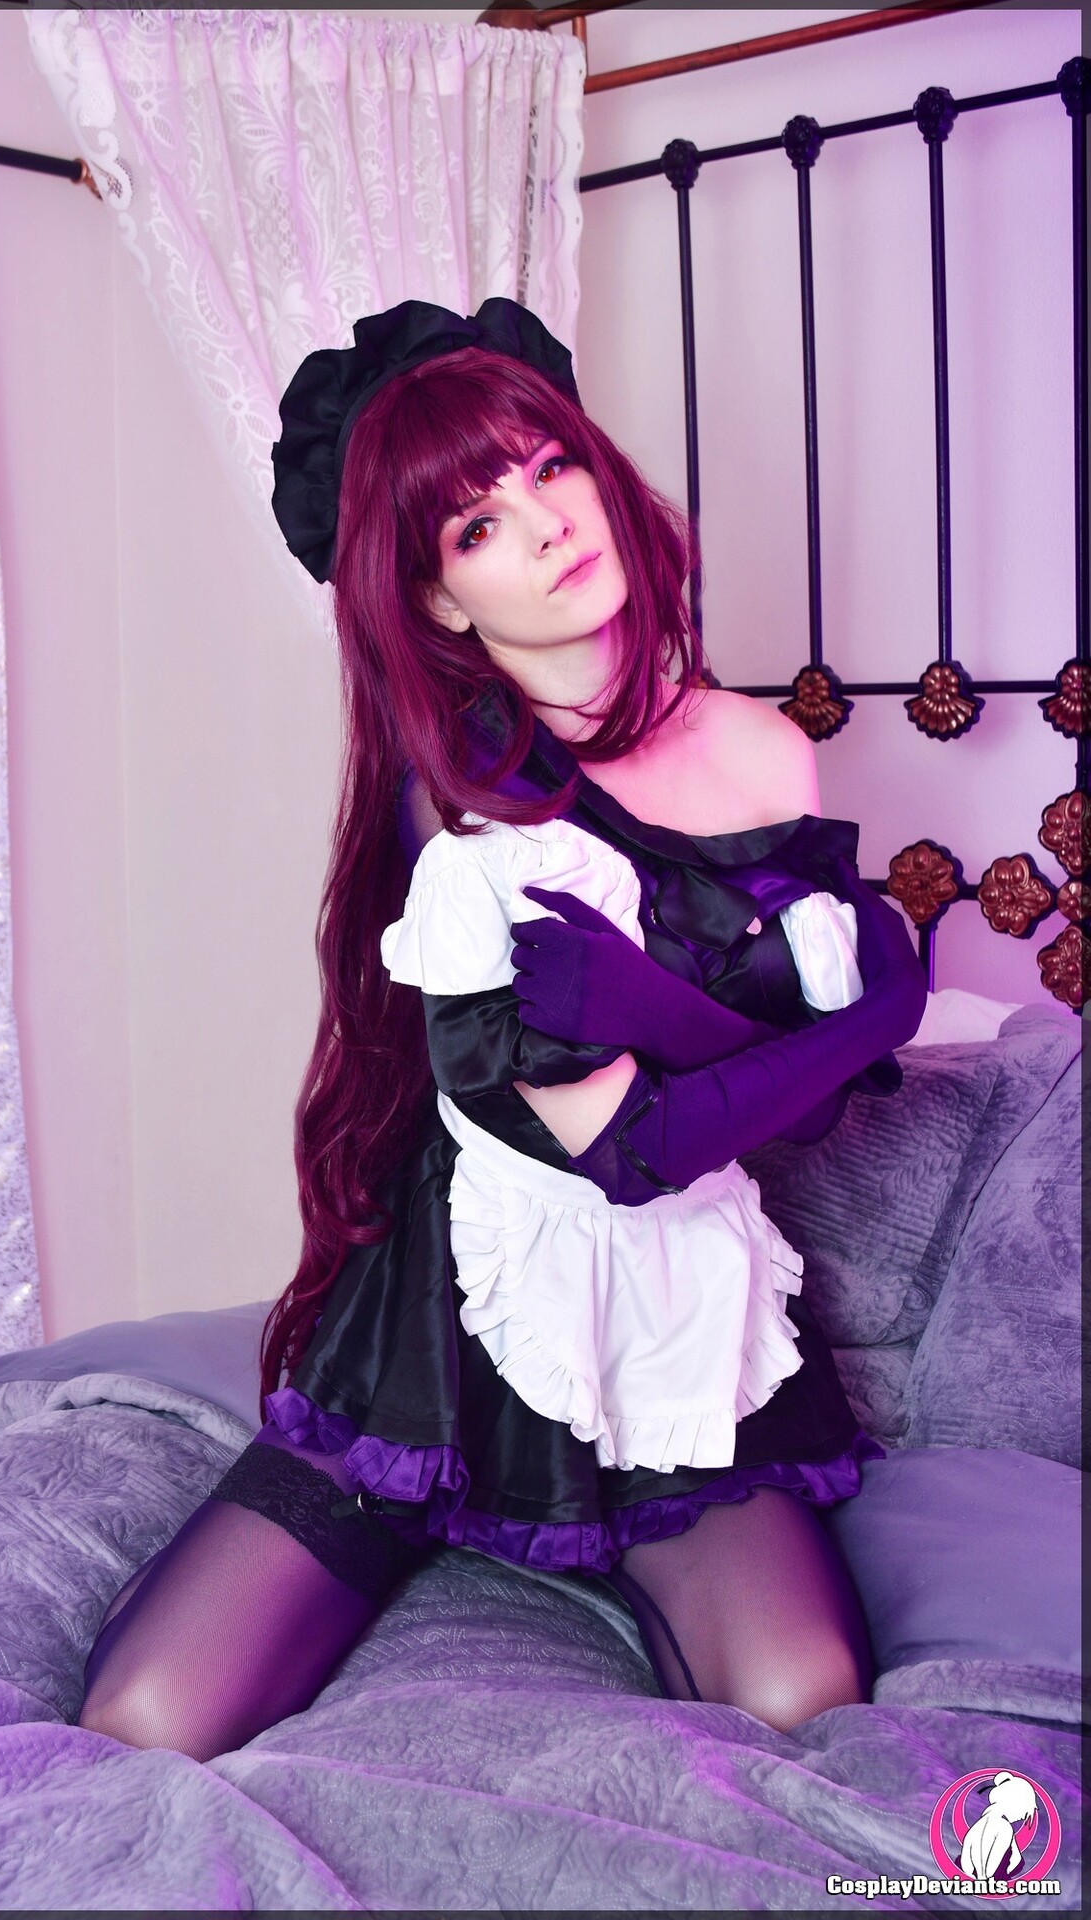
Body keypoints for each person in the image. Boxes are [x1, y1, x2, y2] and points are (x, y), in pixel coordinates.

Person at [76, 298, 927, 1763]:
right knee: (152, 1712)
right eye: (476, 526)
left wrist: (807, 1037)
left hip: (677, 1298)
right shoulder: (469, 809)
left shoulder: (766, 752)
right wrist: (872, 1014)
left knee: (803, 1697)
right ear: (442, 605)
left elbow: (785, 1117)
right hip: (459, 1295)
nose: (543, 524)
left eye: (549, 466)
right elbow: (627, 1144)